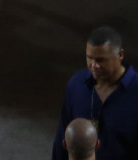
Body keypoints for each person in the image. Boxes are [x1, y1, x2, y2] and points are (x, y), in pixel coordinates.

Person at [54, 28, 138, 160]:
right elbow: (63, 137)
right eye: (89, 58)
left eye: (101, 60)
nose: (94, 66)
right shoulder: (77, 85)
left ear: (120, 55)